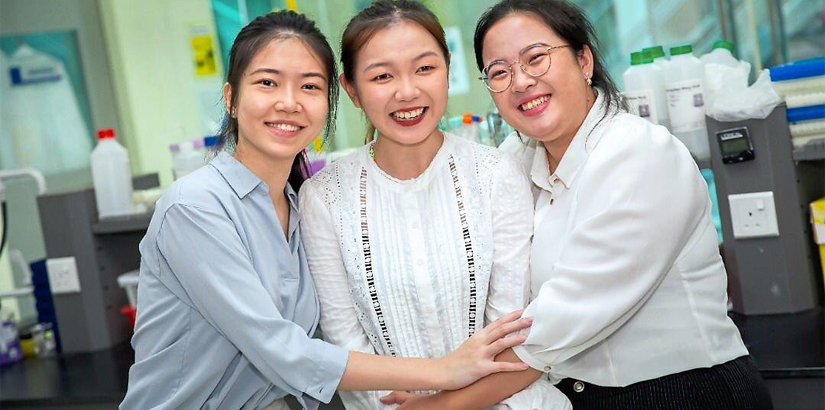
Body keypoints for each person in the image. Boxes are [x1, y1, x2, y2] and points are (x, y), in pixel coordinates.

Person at [119, 10, 534, 410]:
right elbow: (284, 351)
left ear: (330, 99)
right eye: (267, 83)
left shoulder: (298, 204)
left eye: (309, 87)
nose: (289, 103)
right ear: (230, 97)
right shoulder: (195, 207)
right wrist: (443, 373)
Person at [383, 1, 774, 409]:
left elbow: (554, 326)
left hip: (681, 393)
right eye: (499, 72)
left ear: (583, 60)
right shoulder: (515, 161)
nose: (520, 82)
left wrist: (438, 403)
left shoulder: (640, 155)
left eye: (536, 58)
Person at [299, 2, 570, 410]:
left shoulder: (496, 174)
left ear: (447, 69)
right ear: (351, 88)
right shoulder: (324, 197)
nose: (407, 91)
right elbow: (345, 348)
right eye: (382, 76)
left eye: (425, 68)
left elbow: (508, 333)